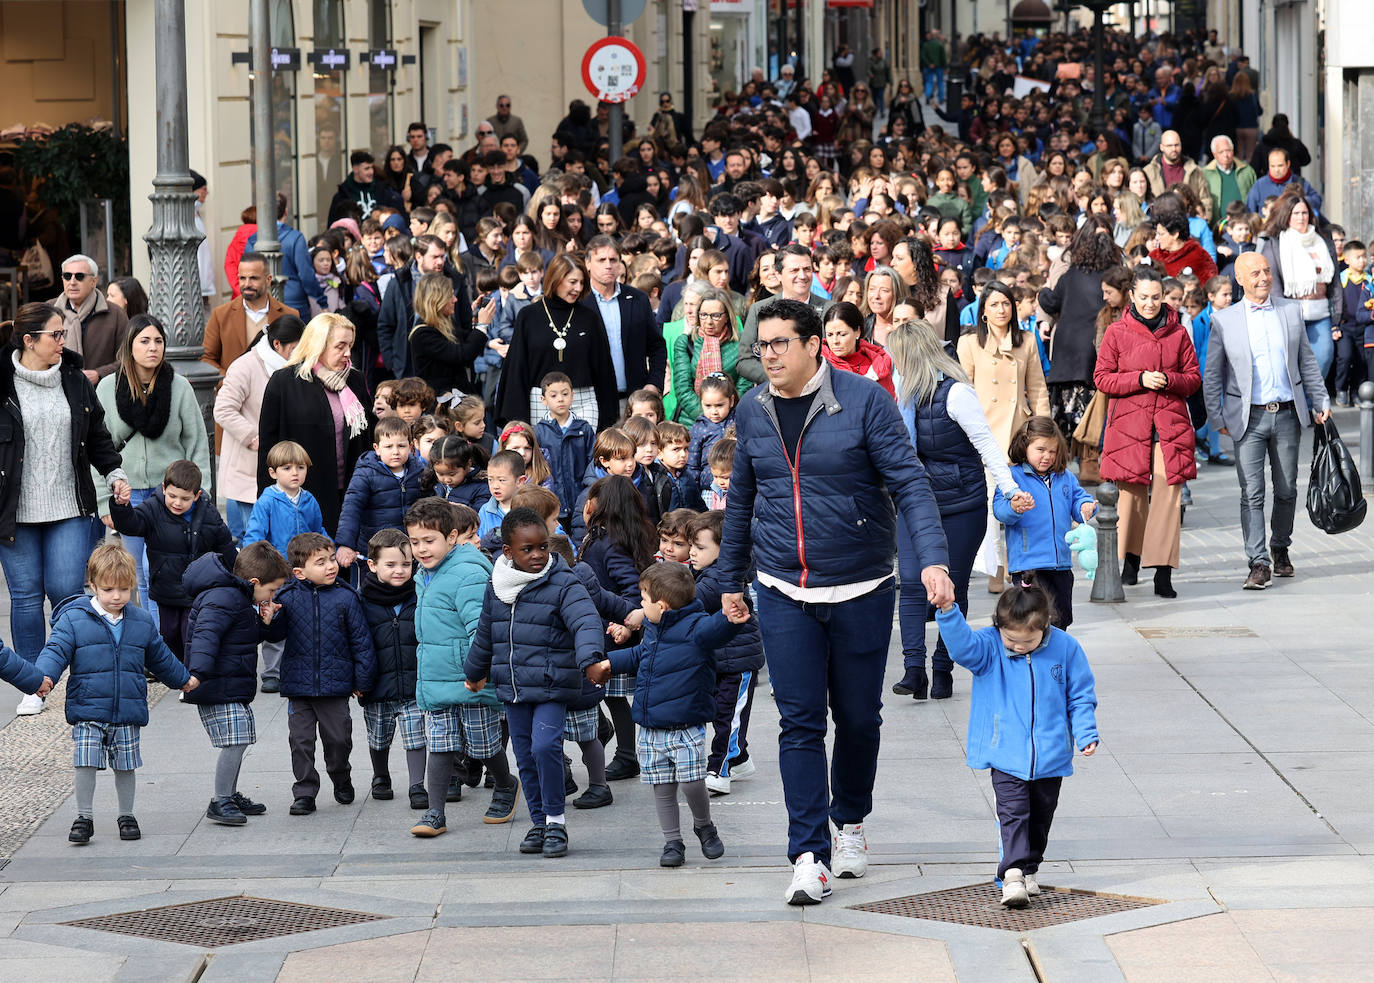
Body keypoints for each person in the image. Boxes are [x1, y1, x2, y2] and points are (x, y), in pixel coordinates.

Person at [715, 298, 953, 906]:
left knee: (857, 718)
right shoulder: (753, 409)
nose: (767, 355)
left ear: (813, 344)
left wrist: (931, 557)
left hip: (860, 587)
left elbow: (909, 482)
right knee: (797, 723)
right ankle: (807, 854)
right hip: (781, 589)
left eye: (779, 344)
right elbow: (741, 501)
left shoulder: (864, 401)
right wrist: (728, 580)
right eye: (761, 345)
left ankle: (849, 821)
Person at [934, 582, 1099, 909]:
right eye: (1011, 639)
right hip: (1005, 754)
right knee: (1013, 814)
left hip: (1050, 755)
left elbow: (1080, 695)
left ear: (1046, 625)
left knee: (1040, 818)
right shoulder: (989, 647)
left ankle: (1029, 868)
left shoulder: (1066, 648)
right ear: (999, 627)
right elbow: (962, 647)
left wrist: (1086, 732)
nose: (1019, 646)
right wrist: (948, 612)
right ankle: (1011, 875)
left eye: (1028, 641)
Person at [0, 303, 129, 717]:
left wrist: (115, 475)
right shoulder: (2, 381)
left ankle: (74, 675)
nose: (63, 341)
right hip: (14, 511)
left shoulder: (73, 378)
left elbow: (97, 436)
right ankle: (34, 684)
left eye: (63, 334)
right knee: (24, 597)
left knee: (67, 593)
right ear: (29, 340)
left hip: (69, 504)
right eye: (55, 335)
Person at [886, 320, 1025, 702]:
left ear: (911, 357)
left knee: (953, 586)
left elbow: (988, 446)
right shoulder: (901, 394)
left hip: (960, 503)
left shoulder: (956, 394)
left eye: (897, 357)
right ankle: (914, 669)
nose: (893, 364)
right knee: (912, 583)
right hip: (915, 502)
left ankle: (943, 667)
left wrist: (1011, 490)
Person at [464, 508, 604, 857]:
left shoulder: (563, 581)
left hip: (553, 683)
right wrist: (474, 671)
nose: (538, 555)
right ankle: (538, 822)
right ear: (508, 552)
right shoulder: (497, 584)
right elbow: (487, 630)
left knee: (545, 747)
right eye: (528, 549)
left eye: (543, 547)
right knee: (525, 756)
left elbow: (585, 621)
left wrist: (590, 659)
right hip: (513, 686)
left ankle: (556, 822)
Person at [34, 543, 196, 843]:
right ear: (93, 585)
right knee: (84, 760)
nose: (117, 596)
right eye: (108, 589)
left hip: (127, 707)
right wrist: (44, 677)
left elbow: (160, 657)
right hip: (87, 706)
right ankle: (84, 817)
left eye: (123, 589)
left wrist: (183, 679)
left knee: (126, 764)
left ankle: (127, 814)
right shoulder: (74, 619)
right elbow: (55, 650)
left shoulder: (141, 621)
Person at [587, 562, 743, 866]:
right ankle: (673, 842)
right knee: (662, 788)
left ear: (661, 604)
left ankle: (704, 825)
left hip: (685, 725)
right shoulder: (655, 630)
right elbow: (639, 655)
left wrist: (731, 617)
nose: (640, 606)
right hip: (651, 726)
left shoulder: (698, 628)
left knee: (692, 782)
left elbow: (717, 630)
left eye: (643, 600)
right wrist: (608, 662)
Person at [1202, 251, 1331, 590]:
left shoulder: (1290, 311)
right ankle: (1258, 561)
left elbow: (1307, 362)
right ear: (1240, 280)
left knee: (1287, 488)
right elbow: (1212, 373)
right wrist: (1216, 417)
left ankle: (1280, 546)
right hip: (1248, 418)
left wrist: (1320, 400)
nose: (1263, 277)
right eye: (1255, 273)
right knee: (1252, 493)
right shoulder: (1224, 320)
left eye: (1267, 271)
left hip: (1287, 413)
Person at [1093, 266, 1201, 599]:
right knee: (1131, 497)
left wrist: (1170, 380)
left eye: (1156, 297)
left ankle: (1163, 571)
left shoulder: (1179, 332)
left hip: (1169, 425)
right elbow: (1102, 378)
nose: (1151, 304)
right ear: (1132, 296)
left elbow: (1193, 377)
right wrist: (1139, 379)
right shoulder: (1116, 332)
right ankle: (1130, 562)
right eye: (1144, 297)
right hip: (1129, 425)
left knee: (1169, 497)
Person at [95, 315, 211, 616]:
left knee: (162, 571)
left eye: (158, 341)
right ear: (129, 346)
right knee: (139, 577)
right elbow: (96, 447)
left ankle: (165, 646)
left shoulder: (180, 387)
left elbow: (197, 444)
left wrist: (201, 494)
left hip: (169, 496)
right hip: (127, 494)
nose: (152, 348)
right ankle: (152, 644)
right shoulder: (108, 387)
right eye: (144, 341)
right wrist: (104, 502)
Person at [182, 543, 288, 825]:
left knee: (239, 739)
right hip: (214, 685)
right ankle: (220, 800)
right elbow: (206, 635)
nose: (272, 596)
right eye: (271, 590)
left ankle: (229, 792)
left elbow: (241, 636)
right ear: (254, 582)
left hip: (227, 683)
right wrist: (198, 673)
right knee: (236, 740)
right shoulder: (224, 598)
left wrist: (265, 624)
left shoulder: (238, 598)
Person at [276, 531, 377, 816]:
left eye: (332, 559)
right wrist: (268, 618)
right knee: (301, 742)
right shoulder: (287, 597)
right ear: (300, 572)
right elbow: (273, 634)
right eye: (321, 562)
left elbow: (361, 641)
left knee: (338, 740)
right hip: (299, 686)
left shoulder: (346, 597)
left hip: (335, 686)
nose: (331, 566)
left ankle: (340, 776)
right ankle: (305, 791)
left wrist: (362, 681)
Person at [257, 313, 373, 535]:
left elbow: (367, 440)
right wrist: (267, 503)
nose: (348, 353)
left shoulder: (355, 381)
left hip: (351, 496)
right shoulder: (284, 382)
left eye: (350, 345)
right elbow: (268, 449)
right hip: (301, 497)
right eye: (340, 346)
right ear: (319, 345)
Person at [109, 460, 236, 661]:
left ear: (197, 495)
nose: (177, 503)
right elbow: (131, 525)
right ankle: (182, 672)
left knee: (191, 636)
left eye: (185, 499)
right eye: (172, 496)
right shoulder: (153, 508)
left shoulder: (208, 514)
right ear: (163, 489)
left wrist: (238, 578)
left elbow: (225, 547)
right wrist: (121, 507)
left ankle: (193, 678)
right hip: (166, 589)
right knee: (168, 635)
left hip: (198, 591)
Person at [993, 417, 1097, 629]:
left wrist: (1085, 506)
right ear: (1024, 446)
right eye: (1040, 449)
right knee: (1035, 620)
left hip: (1061, 564)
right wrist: (1014, 508)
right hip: (1029, 566)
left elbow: (1078, 498)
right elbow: (999, 510)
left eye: (1052, 451)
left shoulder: (1065, 477)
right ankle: (1034, 658)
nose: (1047, 456)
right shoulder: (1011, 478)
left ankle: (1054, 658)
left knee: (1062, 618)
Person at [688, 511, 765, 796]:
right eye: (692, 546)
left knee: (727, 718)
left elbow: (694, 598)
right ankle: (740, 758)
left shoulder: (720, 577)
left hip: (738, 662)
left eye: (700, 547)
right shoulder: (706, 572)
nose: (693, 553)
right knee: (724, 715)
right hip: (721, 661)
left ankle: (718, 768)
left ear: (725, 550)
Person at [497, 253, 620, 430]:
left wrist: (608, 417)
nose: (578, 288)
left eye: (582, 283)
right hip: (541, 401)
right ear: (556, 278)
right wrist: (517, 418)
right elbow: (517, 368)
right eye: (572, 282)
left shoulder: (589, 317)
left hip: (584, 401)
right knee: (544, 457)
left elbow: (603, 369)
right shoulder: (529, 316)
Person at [215, 314, 304, 543]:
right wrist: (255, 438)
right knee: (254, 542)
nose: (300, 355)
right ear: (277, 344)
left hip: (280, 468)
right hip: (248, 469)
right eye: (295, 348)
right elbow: (223, 409)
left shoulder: (295, 369)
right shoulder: (246, 366)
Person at [357, 528, 428, 810]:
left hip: (413, 682)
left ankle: (416, 784)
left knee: (416, 735)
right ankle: (381, 775)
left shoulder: (420, 593)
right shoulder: (361, 600)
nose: (399, 571)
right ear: (372, 565)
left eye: (406, 564)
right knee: (379, 736)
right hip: (377, 684)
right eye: (391, 565)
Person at [1037, 217, 1120, 440]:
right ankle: (1089, 464)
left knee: (1065, 422)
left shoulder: (1072, 272)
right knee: (1094, 417)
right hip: (1099, 349)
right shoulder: (1117, 274)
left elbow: (1051, 301)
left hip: (1068, 352)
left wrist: (1044, 290)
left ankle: (1067, 468)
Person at [1256, 193, 1341, 378]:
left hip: (1321, 313)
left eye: (1304, 213)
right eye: (1296, 213)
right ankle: (1300, 405)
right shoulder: (1275, 244)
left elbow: (1335, 283)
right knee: (1292, 364)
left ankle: (1310, 404)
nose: (1301, 217)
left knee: (1325, 357)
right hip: (1292, 314)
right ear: (1287, 216)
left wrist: (1338, 315)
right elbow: (1274, 284)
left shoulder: (1324, 242)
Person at [334, 415, 426, 571]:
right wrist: (345, 544)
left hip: (409, 548)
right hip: (375, 549)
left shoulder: (418, 471)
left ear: (411, 447)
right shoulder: (366, 473)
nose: (396, 452)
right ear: (377, 449)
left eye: (401, 446)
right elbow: (352, 508)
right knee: (374, 590)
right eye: (388, 446)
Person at [582, 236, 668, 400]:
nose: (608, 265)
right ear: (588, 264)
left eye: (613, 260)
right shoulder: (579, 303)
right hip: (591, 402)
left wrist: (654, 384)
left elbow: (657, 347)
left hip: (634, 400)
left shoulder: (638, 299)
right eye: (601, 260)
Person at [378, 235, 473, 380]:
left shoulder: (455, 280)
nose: (440, 262)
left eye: (442, 256)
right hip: (407, 366)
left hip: (448, 365)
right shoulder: (400, 283)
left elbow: (465, 321)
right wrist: (391, 362)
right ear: (419, 256)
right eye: (434, 257)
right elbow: (385, 324)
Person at [736, 245, 826, 386]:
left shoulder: (829, 310)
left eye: (807, 269)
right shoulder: (758, 309)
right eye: (794, 270)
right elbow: (745, 361)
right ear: (778, 275)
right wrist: (777, 377)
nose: (802, 276)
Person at [202, 252, 299, 377]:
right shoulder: (220, 315)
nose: (247, 284)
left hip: (276, 393)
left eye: (253, 278)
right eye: (242, 278)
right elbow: (207, 358)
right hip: (234, 392)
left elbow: (298, 359)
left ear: (268, 280)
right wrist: (230, 381)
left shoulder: (289, 315)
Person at [244, 194, 325, 316]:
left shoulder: (252, 241)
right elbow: (306, 274)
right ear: (286, 212)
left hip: (260, 302)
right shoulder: (296, 238)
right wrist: (321, 300)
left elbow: (246, 274)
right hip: (293, 302)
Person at [407, 272, 487, 396]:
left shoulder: (446, 323)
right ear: (436, 300)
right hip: (440, 406)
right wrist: (482, 326)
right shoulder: (423, 334)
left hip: (457, 399)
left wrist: (476, 321)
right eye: (450, 296)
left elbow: (465, 340)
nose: (455, 300)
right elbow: (463, 355)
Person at [53, 254, 129, 384]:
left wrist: (100, 374)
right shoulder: (48, 310)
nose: (72, 282)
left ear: (94, 281)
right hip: (56, 390)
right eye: (67, 276)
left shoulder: (115, 314)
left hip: (99, 393)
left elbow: (128, 358)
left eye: (79, 276)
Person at [535, 371, 596, 526]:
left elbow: (593, 463)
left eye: (565, 394)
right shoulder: (539, 432)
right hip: (552, 503)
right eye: (553, 395)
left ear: (572, 396)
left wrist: (589, 492)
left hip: (581, 500)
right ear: (544, 400)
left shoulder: (584, 429)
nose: (560, 399)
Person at [1143, 131, 1214, 219]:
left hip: (1190, 224)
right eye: (1169, 145)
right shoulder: (1148, 171)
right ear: (1161, 147)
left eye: (1177, 145)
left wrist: (1205, 219)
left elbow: (1206, 199)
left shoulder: (1195, 170)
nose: (1174, 149)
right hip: (1159, 224)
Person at [328, 150, 405, 224]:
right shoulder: (342, 196)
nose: (371, 172)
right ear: (355, 169)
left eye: (372, 168)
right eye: (367, 168)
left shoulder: (384, 191)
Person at [1245, 147, 1322, 216]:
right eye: (1272, 166)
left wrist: (1300, 200)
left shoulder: (1300, 183)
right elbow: (1250, 213)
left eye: (1280, 165)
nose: (1276, 170)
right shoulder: (1259, 185)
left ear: (1288, 164)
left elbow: (1317, 201)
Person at [1202, 136, 1258, 227]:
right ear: (1214, 154)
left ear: (1233, 150)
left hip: (1244, 226)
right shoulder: (1205, 174)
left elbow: (1255, 198)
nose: (1226, 155)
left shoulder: (1247, 171)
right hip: (1218, 228)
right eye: (1221, 152)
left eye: (1228, 150)